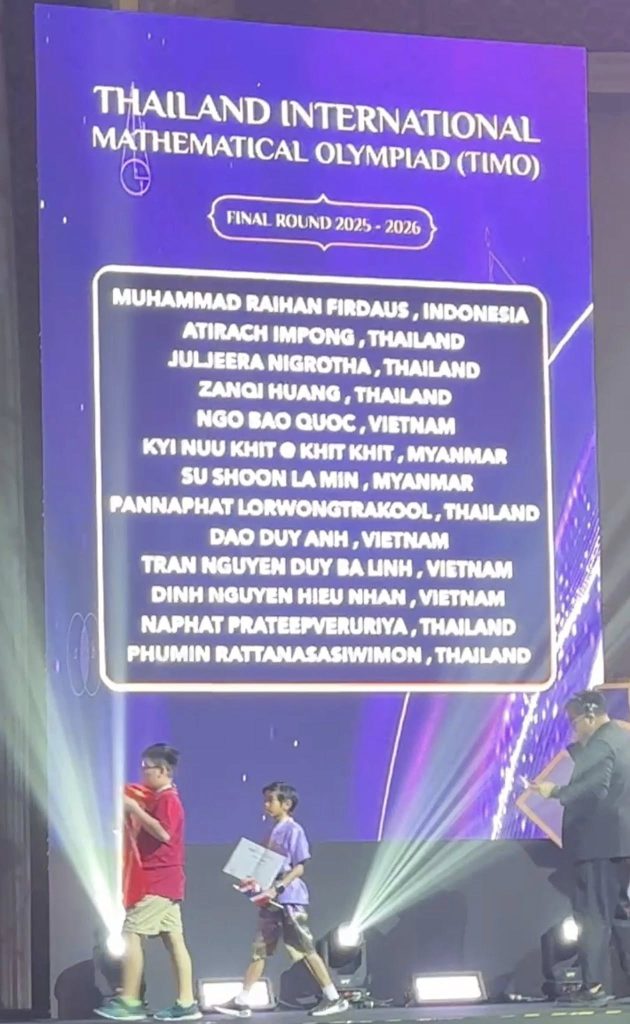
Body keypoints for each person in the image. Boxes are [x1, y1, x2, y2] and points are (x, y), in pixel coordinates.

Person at [216, 781, 349, 1018]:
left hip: (289, 898)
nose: (266, 805)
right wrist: (254, 883)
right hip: (270, 898)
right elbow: (266, 865)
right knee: (260, 949)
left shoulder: (293, 830)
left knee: (305, 947)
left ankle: (333, 997)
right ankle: (242, 1000)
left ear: (286, 804)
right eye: (265, 800)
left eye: (271, 800)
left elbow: (299, 867)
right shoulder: (272, 831)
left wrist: (277, 887)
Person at [530, 690, 630, 1006]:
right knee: (620, 915)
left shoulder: (601, 743)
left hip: (597, 845)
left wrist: (554, 791)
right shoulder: (623, 739)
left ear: (590, 715)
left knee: (592, 915)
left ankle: (594, 987)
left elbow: (595, 787)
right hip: (622, 843)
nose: (573, 729)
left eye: (574, 723)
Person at [96, 744, 201, 1021]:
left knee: (131, 934)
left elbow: (164, 834)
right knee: (174, 940)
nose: (143, 773)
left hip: (158, 880)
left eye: (147, 768)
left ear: (163, 771)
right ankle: (186, 1002)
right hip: (165, 881)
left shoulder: (168, 800)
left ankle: (130, 1001)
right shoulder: (156, 799)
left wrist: (134, 808)